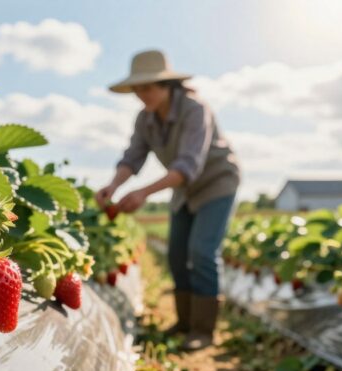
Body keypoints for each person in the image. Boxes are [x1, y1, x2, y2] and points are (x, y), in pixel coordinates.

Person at [95, 50, 240, 350]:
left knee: (201, 250)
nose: (141, 95)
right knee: (176, 253)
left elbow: (188, 165)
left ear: (167, 85)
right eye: (137, 89)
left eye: (147, 87)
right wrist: (113, 186)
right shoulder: (145, 119)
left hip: (216, 183)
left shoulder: (194, 109)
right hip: (183, 189)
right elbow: (132, 157)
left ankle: (203, 331)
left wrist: (143, 193)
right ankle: (184, 324)